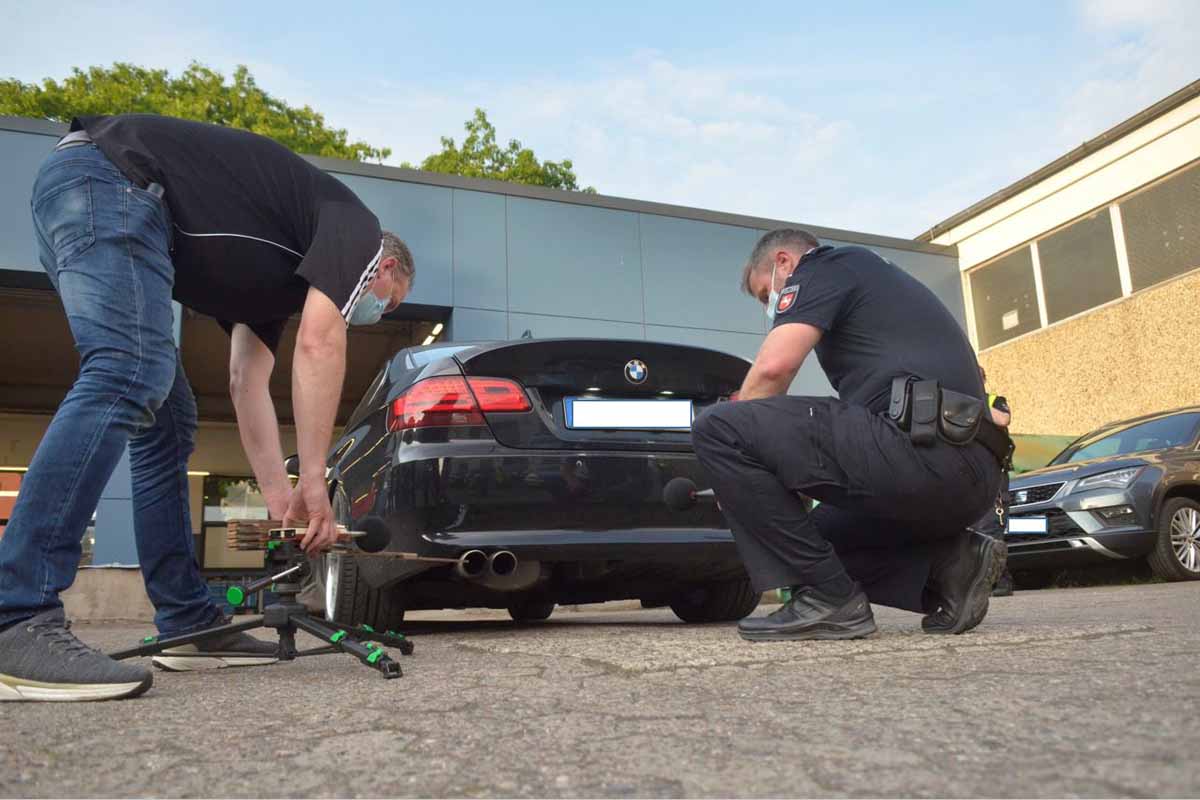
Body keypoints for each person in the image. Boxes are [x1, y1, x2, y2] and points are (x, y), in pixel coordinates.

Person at [0, 114, 414, 701]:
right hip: (110, 182)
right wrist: (314, 479)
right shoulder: (361, 231)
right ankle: (16, 616)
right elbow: (320, 344)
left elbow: (246, 381)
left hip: (87, 191)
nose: (378, 312)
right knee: (129, 368)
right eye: (388, 303)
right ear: (386, 267)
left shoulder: (273, 285)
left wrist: (280, 499)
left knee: (168, 418)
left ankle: (187, 623)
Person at [691, 229, 1010, 641]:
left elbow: (772, 370)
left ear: (784, 262)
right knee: (811, 542)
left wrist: (738, 463)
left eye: (765, 294)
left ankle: (831, 600)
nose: (770, 307)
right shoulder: (873, 283)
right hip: (965, 470)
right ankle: (950, 569)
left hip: (927, 451)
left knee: (720, 426)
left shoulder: (823, 267)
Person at [974, 367, 1015, 597]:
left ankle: (1001, 581)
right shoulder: (961, 403)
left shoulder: (994, 401)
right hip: (972, 473)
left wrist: (978, 401)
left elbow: (1003, 419)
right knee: (973, 529)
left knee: (991, 525)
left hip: (994, 472)